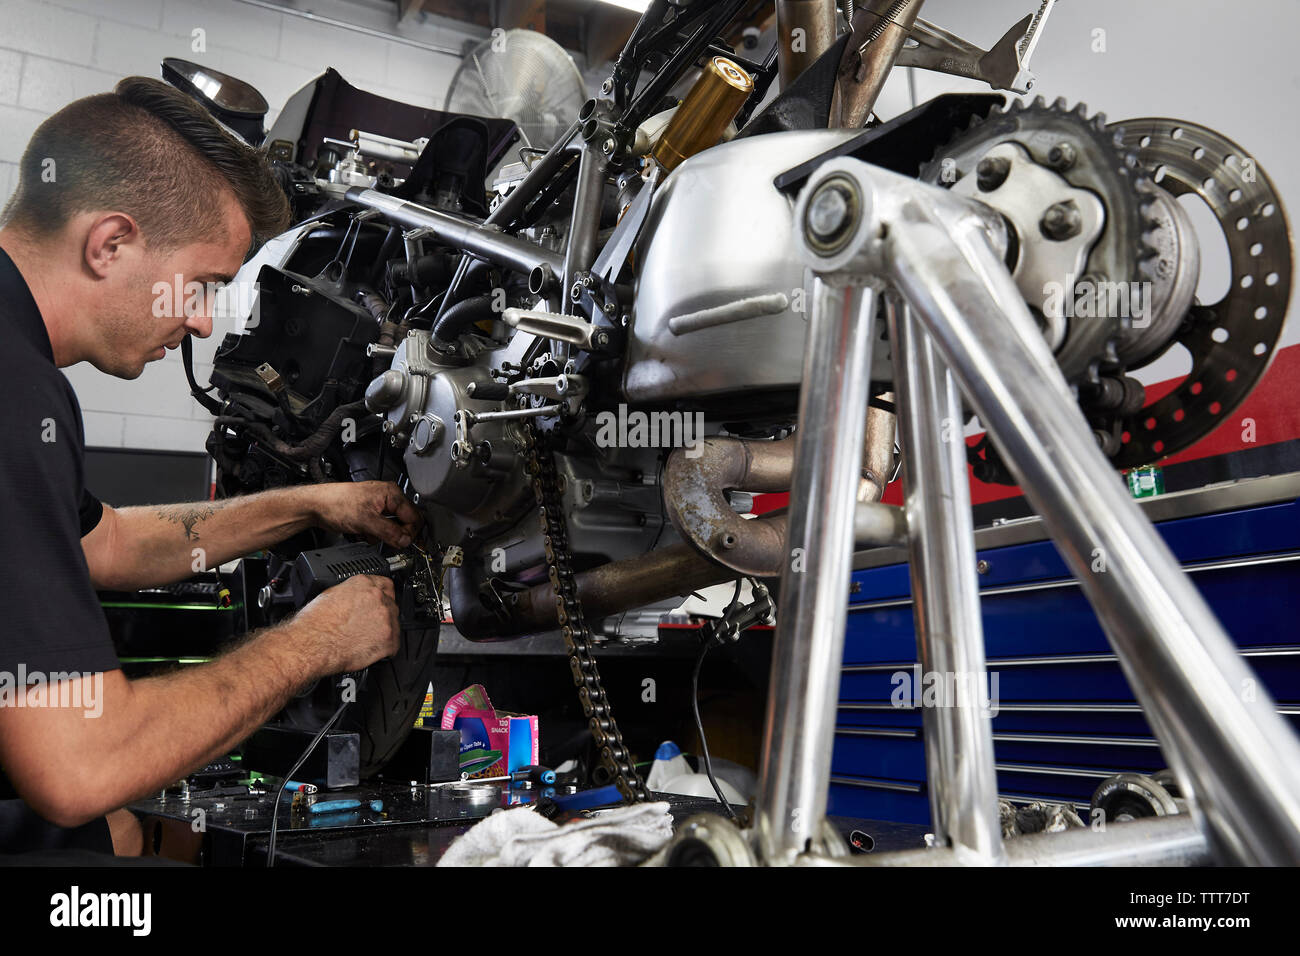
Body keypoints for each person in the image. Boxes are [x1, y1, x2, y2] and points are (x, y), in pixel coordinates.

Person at [0, 76, 420, 860]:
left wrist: (316, 504)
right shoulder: (18, 395)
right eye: (201, 286)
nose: (199, 319)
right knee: (103, 848)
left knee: (115, 838)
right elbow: (83, 765)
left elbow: (112, 544)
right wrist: (313, 645)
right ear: (111, 243)